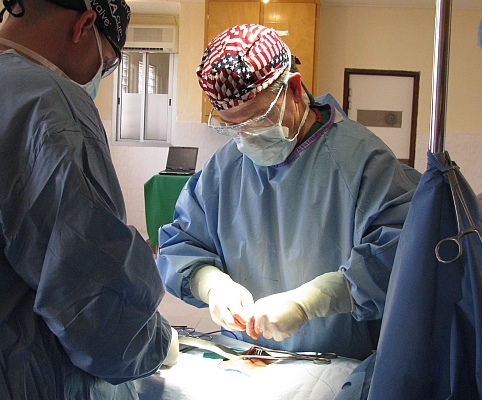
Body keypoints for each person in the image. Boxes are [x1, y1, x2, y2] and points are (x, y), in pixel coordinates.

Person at [157, 24, 421, 361]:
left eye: (258, 119)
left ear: (294, 90)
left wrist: (311, 301)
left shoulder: (362, 161)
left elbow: (399, 257)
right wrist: (211, 284)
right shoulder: (224, 168)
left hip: (336, 365)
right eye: (233, 126)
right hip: (247, 360)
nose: (246, 137)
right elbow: (181, 244)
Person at [0, 0, 178, 398]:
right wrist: (155, 342)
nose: (99, 77)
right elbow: (92, 298)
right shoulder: (49, 104)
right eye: (107, 63)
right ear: (83, 25)